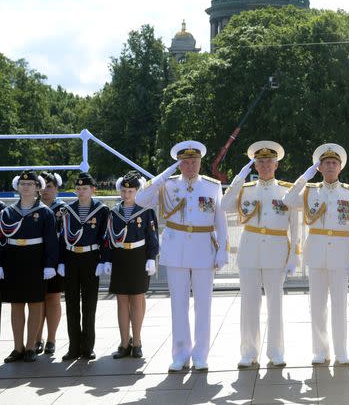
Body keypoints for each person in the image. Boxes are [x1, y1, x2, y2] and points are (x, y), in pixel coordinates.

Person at [136, 140, 229, 372]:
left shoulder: (211, 186)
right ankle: (180, 354)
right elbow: (139, 198)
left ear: (200, 162)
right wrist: (164, 174)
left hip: (203, 249)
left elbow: (220, 220)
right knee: (178, 305)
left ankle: (200, 354)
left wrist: (223, 250)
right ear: (178, 165)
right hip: (176, 249)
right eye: (185, 163)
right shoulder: (166, 185)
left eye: (194, 162)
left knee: (203, 305)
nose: (190, 166)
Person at [221, 141, 298, 369]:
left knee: (275, 304)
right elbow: (224, 205)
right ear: (254, 165)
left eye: (269, 162)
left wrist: (294, 255)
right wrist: (237, 180)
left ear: (276, 164)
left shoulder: (287, 190)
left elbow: (295, 226)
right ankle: (248, 352)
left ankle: (276, 352)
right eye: (260, 162)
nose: (265, 165)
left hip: (276, 251)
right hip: (250, 252)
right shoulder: (245, 189)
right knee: (249, 304)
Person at [284, 143, 349, 366]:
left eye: (334, 163)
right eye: (326, 163)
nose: (330, 166)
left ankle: (341, 351)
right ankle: (320, 351)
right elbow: (288, 201)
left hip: (341, 254)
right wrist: (302, 178)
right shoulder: (309, 191)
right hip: (316, 252)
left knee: (340, 304)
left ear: (340, 167)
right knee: (317, 305)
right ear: (319, 168)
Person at [0, 171, 58, 363]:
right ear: (17, 187)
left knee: (35, 303)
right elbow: (2, 240)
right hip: (14, 260)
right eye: (22, 184)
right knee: (16, 305)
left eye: (30, 184)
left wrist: (49, 265)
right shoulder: (7, 212)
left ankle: (31, 346)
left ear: (37, 188)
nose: (26, 188)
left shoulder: (44, 212)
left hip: (35, 260)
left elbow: (51, 242)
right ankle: (18, 347)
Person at [106, 171, 159, 359]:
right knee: (121, 301)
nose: (127, 194)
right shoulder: (113, 212)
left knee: (137, 299)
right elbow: (108, 238)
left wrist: (151, 257)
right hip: (120, 256)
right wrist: (107, 260)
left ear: (138, 191)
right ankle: (124, 342)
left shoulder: (146, 211)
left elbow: (152, 236)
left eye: (131, 191)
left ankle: (136, 342)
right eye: (124, 190)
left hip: (138, 256)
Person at [60, 172, 110, 361]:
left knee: (89, 305)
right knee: (72, 304)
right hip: (72, 257)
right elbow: (62, 237)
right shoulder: (68, 210)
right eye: (78, 188)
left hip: (91, 259)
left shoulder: (101, 210)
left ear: (93, 190)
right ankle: (74, 347)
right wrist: (61, 262)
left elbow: (106, 238)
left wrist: (103, 260)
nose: (81, 192)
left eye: (85, 188)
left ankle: (88, 347)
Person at [35, 171, 67, 355]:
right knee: (36, 299)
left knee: (53, 297)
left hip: (55, 258)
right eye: (43, 186)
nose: (46, 190)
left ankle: (51, 339)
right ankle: (36, 338)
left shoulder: (62, 209)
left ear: (57, 188)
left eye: (50, 186)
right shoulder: (33, 207)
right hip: (35, 258)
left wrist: (61, 261)